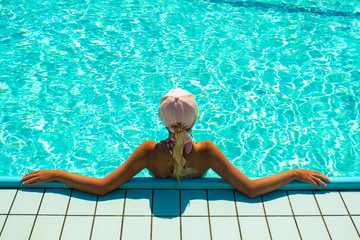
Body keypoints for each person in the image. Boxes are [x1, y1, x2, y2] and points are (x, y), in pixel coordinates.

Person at [21, 88, 330, 198]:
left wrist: (56, 174)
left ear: (161, 120)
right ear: (194, 120)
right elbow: (250, 189)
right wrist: (295, 173)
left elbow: (103, 187)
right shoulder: (206, 152)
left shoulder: (148, 153)